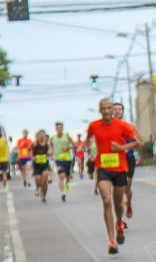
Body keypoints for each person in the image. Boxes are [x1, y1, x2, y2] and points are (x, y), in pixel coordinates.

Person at [86, 98, 139, 253]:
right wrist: (89, 151)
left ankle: (119, 224)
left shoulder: (122, 125)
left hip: (120, 168)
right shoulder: (94, 125)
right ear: (100, 110)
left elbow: (138, 142)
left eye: (109, 108)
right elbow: (88, 139)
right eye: (104, 108)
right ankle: (111, 241)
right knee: (107, 201)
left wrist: (121, 147)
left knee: (117, 203)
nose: (107, 111)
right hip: (102, 167)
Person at [52, 122, 75, 202]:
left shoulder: (67, 136)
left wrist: (68, 148)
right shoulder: (53, 138)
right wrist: (52, 153)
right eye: (58, 128)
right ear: (56, 129)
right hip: (58, 159)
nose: (59, 129)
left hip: (67, 159)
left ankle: (67, 182)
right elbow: (51, 146)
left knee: (67, 176)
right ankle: (62, 193)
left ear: (63, 128)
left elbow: (75, 146)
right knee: (61, 176)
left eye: (61, 128)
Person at [31, 130, 51, 202]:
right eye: (40, 135)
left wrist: (50, 153)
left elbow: (51, 151)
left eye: (43, 135)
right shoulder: (34, 144)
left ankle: (44, 195)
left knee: (45, 180)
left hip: (45, 163)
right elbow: (28, 150)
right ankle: (38, 188)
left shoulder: (47, 144)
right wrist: (32, 157)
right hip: (37, 164)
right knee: (38, 180)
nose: (42, 136)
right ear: (38, 136)